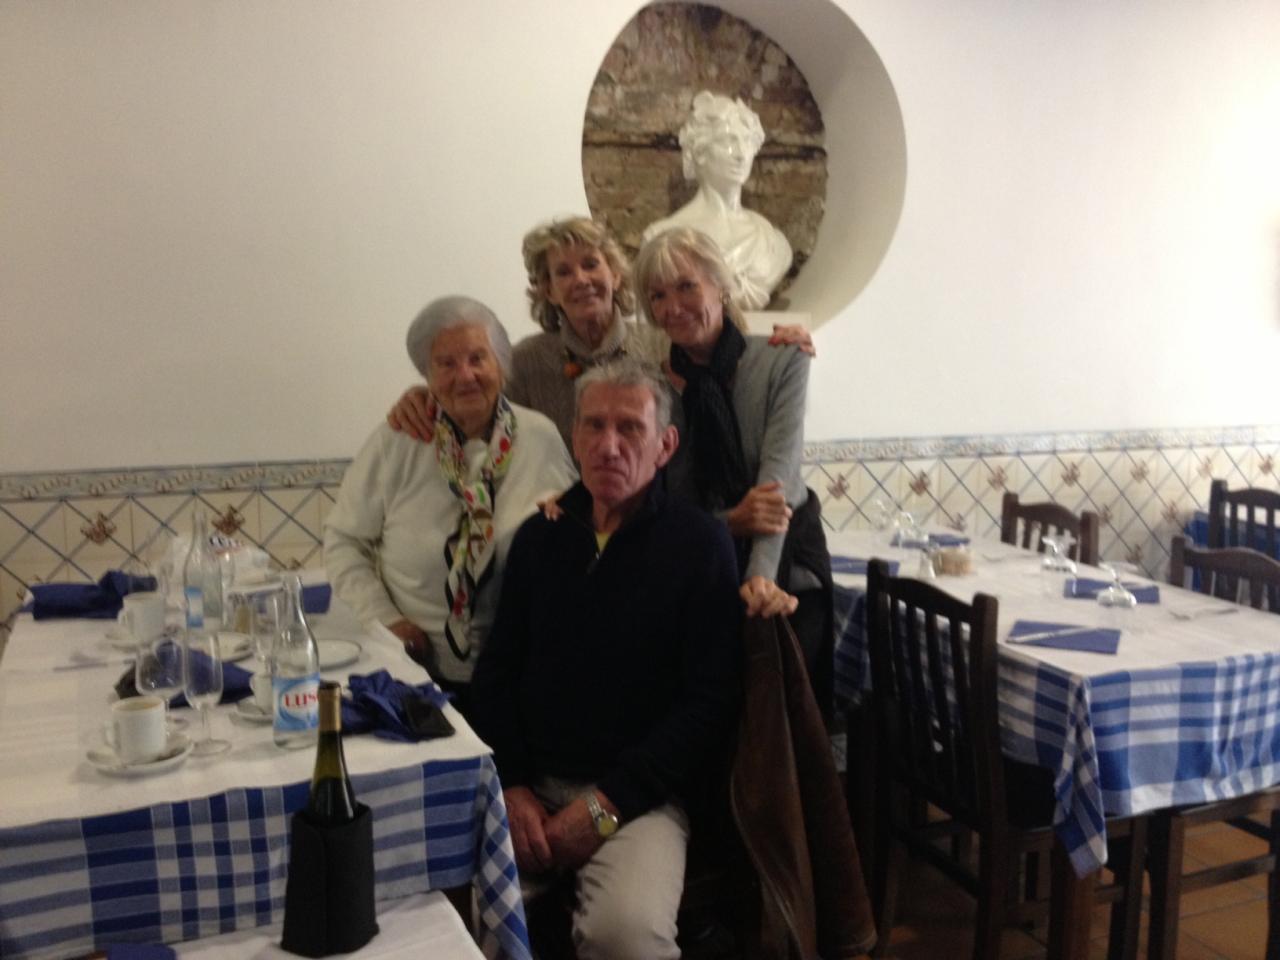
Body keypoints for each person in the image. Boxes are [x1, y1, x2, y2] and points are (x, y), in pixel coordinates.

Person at [469, 359, 742, 960]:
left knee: (627, 937)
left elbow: (710, 704)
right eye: (593, 425)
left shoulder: (699, 545)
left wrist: (604, 806)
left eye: (630, 428)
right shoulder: (539, 539)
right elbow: (497, 672)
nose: (609, 445)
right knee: (453, 917)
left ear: (666, 445)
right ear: (574, 437)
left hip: (640, 799)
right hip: (529, 788)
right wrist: (513, 786)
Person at [323, 296, 575, 711]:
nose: (465, 376)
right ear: (427, 375)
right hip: (415, 672)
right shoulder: (397, 441)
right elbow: (343, 541)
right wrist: (386, 620)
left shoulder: (539, 437)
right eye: (446, 363)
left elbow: (573, 535)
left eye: (478, 358)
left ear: (501, 365)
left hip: (523, 669)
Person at [385, 216, 812, 449]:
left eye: (591, 264)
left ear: (615, 274)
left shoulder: (664, 342)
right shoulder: (525, 361)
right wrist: (424, 397)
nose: (581, 280)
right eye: (563, 272)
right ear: (547, 290)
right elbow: (476, 411)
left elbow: (730, 364)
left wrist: (779, 343)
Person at [633, 226, 835, 707]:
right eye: (658, 296)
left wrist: (760, 578)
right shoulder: (653, 386)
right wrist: (727, 525)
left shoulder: (783, 358)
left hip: (786, 554)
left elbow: (777, 479)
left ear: (720, 286)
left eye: (687, 286)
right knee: (712, 709)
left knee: (787, 711)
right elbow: (670, 500)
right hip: (702, 558)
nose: (673, 306)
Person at [642, 91, 793, 310]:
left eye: (747, 142)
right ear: (700, 151)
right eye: (728, 141)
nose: (741, 154)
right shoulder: (661, 236)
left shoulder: (773, 243)